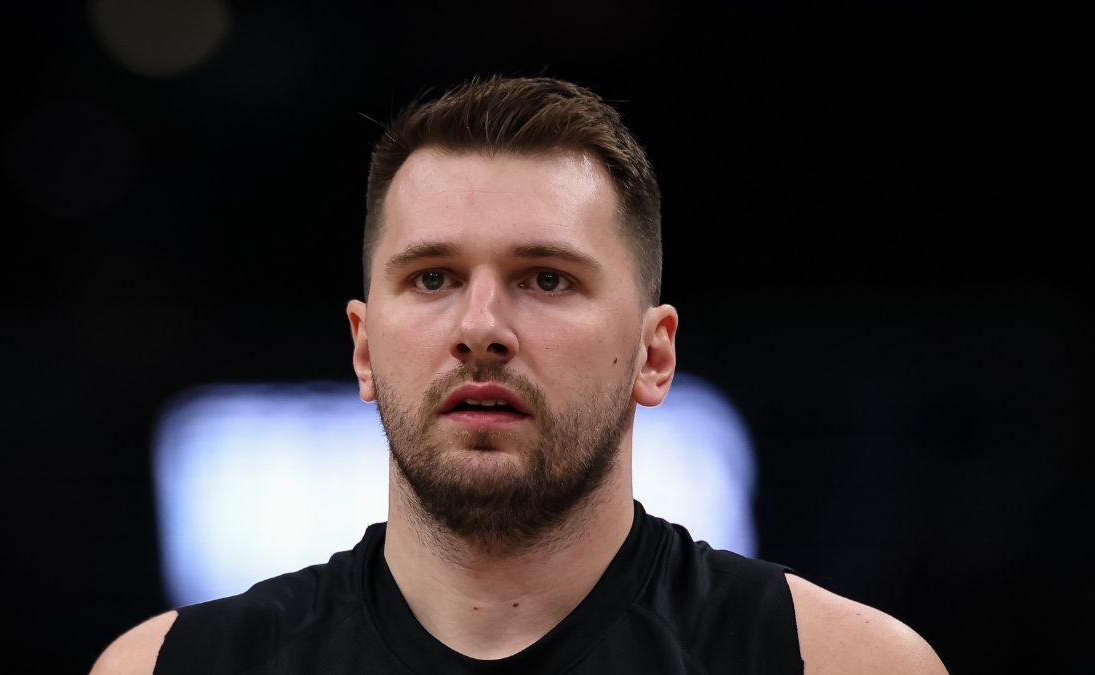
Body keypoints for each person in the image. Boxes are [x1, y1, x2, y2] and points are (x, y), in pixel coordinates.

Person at [92, 76, 948, 674]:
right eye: (433, 278)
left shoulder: (839, 665)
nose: (481, 329)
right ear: (362, 346)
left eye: (546, 278)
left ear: (655, 354)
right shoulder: (170, 667)